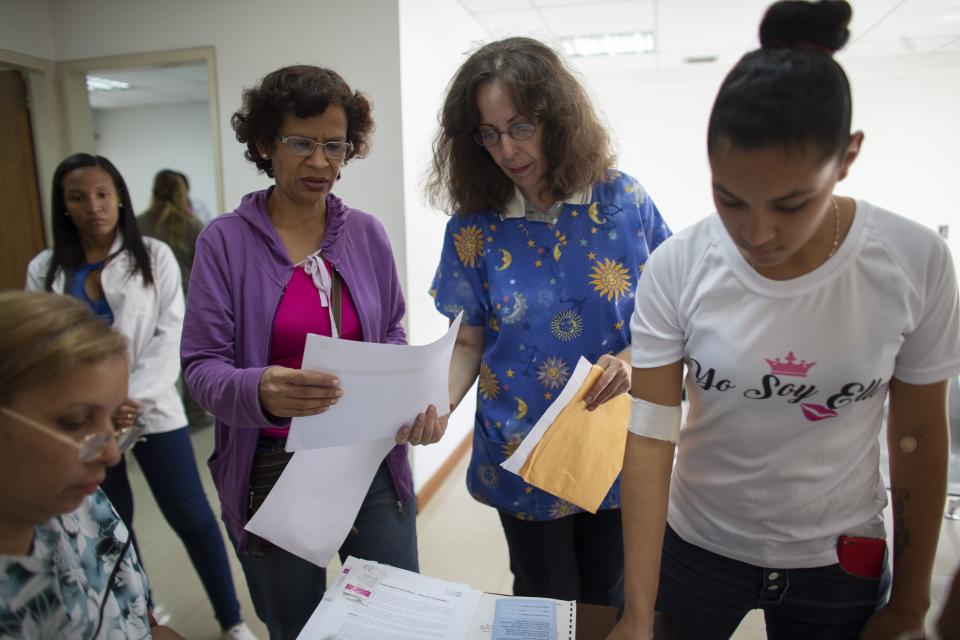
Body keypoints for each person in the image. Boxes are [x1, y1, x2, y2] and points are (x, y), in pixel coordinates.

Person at [610, 2, 960, 639]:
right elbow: (651, 436)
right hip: (699, 542)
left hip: (838, 554)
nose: (757, 233)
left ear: (847, 157)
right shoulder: (678, 266)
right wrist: (636, 612)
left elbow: (917, 441)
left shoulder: (914, 263)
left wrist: (910, 607)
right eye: (730, 199)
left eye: (791, 204)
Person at [180, 65, 445, 640]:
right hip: (273, 468)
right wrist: (259, 389)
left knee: (394, 618)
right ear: (263, 145)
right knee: (297, 626)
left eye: (335, 145)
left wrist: (409, 398)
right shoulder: (224, 242)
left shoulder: (367, 234)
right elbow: (200, 368)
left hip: (369, 459)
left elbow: (392, 331)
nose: (321, 163)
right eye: (301, 143)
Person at [428, 36, 671, 607]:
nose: (506, 149)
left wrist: (635, 361)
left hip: (607, 440)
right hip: (520, 444)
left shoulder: (622, 202)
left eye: (519, 127)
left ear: (556, 119)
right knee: (541, 595)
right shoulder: (475, 225)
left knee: (606, 589)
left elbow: (672, 315)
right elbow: (468, 339)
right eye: (488, 134)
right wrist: (433, 404)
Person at [26, 154, 256, 640]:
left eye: (103, 194)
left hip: (150, 412)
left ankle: (231, 620)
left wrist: (127, 399)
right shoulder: (45, 269)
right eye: (78, 197)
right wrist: (97, 411)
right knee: (113, 528)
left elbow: (173, 334)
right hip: (82, 424)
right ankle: (142, 621)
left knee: (193, 518)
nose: (93, 206)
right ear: (63, 206)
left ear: (121, 198)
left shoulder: (153, 255)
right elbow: (42, 348)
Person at [0, 290, 183, 639]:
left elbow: (135, 613)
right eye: (75, 422)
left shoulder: (83, 505)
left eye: (114, 421)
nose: (113, 455)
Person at [138, 168, 210, 430]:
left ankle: (151, 409)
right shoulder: (191, 225)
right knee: (189, 356)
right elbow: (206, 267)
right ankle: (195, 414)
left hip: (150, 303)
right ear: (184, 193)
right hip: (189, 299)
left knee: (155, 357)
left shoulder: (137, 224)